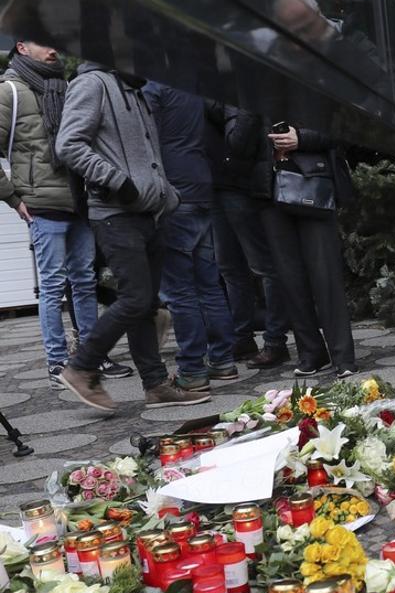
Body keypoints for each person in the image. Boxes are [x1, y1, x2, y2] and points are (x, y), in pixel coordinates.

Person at [54, 62, 208, 411]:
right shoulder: (92, 84)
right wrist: (117, 182)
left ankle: (155, 386)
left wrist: (167, 196)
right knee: (136, 299)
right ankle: (81, 366)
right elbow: (69, 144)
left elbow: (147, 157)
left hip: (150, 214)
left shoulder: (134, 90)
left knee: (146, 305)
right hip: (115, 214)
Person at [0, 41, 132, 385]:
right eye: (43, 42)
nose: (53, 49)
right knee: (53, 287)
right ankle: (57, 362)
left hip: (78, 199)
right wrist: (13, 198)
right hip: (42, 203)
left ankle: (91, 356)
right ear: (22, 46)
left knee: (85, 282)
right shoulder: (11, 90)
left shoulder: (69, 86)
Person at [143, 80, 237, 393]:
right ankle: (223, 360)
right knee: (208, 282)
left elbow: (147, 138)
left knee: (180, 290)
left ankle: (192, 369)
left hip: (173, 189)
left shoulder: (152, 88)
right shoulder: (188, 84)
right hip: (200, 183)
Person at [262, 121, 357, 378]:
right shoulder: (248, 88)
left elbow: (342, 127)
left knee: (325, 274)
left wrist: (301, 139)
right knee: (289, 278)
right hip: (268, 187)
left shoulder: (313, 84)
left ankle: (343, 356)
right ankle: (311, 353)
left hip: (312, 182)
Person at [207, 103, 291, 368]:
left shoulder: (222, 77)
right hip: (215, 183)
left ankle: (275, 341)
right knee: (229, 267)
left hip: (237, 182)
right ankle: (242, 337)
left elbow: (241, 132)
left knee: (262, 265)